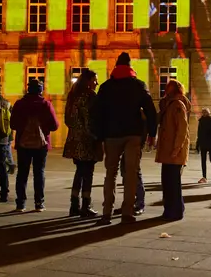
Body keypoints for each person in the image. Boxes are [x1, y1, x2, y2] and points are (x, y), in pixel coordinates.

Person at [94, 52, 157, 225]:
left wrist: (99, 138)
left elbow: (98, 114)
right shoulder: (139, 85)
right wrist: (152, 133)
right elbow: (151, 111)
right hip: (133, 134)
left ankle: (106, 213)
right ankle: (127, 213)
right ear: (130, 67)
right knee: (131, 174)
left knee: (110, 174)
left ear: (116, 66)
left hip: (111, 135)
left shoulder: (106, 87)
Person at [10, 79, 59, 212]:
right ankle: (39, 203)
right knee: (39, 172)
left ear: (28, 89)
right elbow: (55, 126)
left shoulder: (20, 104)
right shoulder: (45, 104)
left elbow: (13, 124)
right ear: (41, 90)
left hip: (23, 143)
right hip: (41, 144)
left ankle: (20, 203)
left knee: (22, 173)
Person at [63, 69, 103, 217]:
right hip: (87, 140)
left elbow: (68, 119)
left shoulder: (73, 95)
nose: (97, 83)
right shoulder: (90, 96)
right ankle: (86, 205)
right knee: (88, 173)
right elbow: (90, 119)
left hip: (74, 139)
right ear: (88, 81)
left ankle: (74, 205)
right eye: (94, 80)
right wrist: (94, 135)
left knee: (79, 172)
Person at [156, 80, 190, 221]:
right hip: (168, 150)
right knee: (167, 181)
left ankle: (175, 211)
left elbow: (182, 129)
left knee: (173, 183)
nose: (165, 90)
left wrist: (176, 149)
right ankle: (171, 209)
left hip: (173, 151)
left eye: (168, 88)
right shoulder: (169, 105)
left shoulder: (177, 105)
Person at [196, 108, 211, 183]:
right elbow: (199, 133)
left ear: (208, 112)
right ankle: (204, 177)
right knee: (203, 161)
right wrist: (197, 144)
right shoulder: (201, 121)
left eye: (205, 112)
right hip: (203, 143)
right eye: (203, 112)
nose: (204, 113)